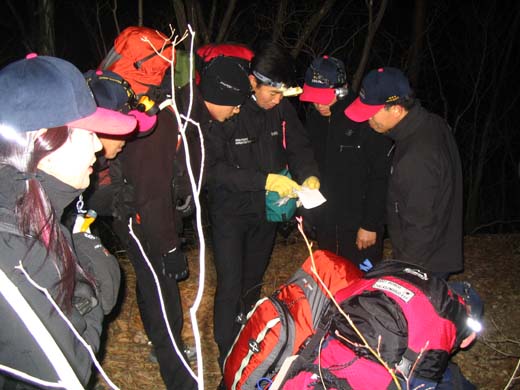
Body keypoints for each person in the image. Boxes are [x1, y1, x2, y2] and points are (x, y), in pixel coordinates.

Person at [103, 29, 252, 389]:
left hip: (148, 212)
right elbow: (152, 191)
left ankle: (161, 343)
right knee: (163, 291)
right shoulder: (165, 119)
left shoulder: (186, 110)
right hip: (143, 218)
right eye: (234, 103)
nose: (237, 111)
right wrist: (169, 246)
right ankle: (179, 377)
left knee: (151, 284)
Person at [0, 54, 136, 388]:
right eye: (85, 133)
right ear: (42, 140)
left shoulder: (39, 209)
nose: (97, 146)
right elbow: (70, 372)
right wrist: (90, 293)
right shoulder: (13, 250)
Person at [206, 42, 320, 368]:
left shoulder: (281, 109)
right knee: (230, 284)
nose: (276, 99)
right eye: (271, 92)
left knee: (253, 280)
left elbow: (298, 146)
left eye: (282, 93)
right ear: (253, 82)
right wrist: (264, 180)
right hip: (229, 213)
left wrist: (309, 176)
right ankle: (226, 355)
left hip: (267, 212)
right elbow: (213, 171)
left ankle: (246, 339)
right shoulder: (231, 109)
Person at [280, 260, 482, 389]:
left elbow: (334, 308)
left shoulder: (387, 272)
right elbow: (422, 385)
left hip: (324, 359)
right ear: (468, 338)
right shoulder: (440, 325)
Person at [345, 67, 463, 278]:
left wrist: (406, 271)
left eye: (371, 114)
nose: (367, 120)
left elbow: (421, 226)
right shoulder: (428, 124)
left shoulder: (417, 156)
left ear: (397, 109)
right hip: (432, 251)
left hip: (426, 263)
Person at [300, 56, 392, 270]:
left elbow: (381, 175)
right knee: (332, 284)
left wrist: (370, 224)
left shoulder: (364, 120)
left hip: (360, 228)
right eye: (313, 97)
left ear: (341, 90)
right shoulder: (314, 120)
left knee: (361, 287)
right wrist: (310, 217)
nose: (318, 104)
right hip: (326, 225)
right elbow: (311, 167)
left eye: (323, 97)